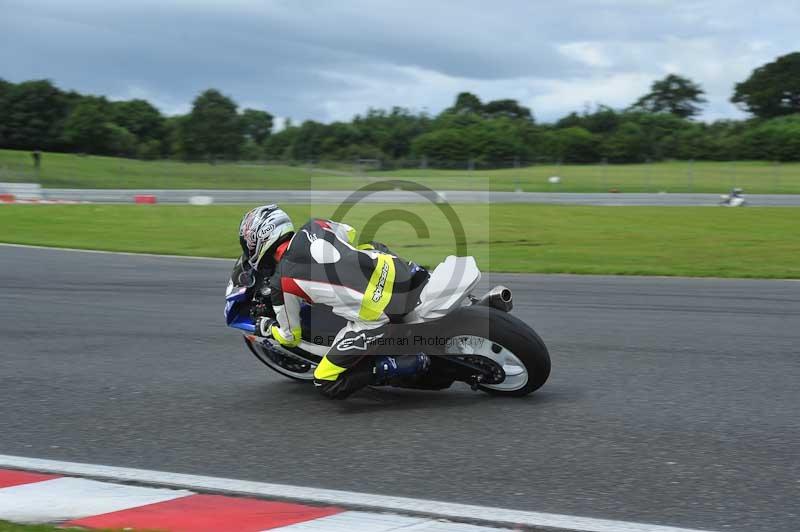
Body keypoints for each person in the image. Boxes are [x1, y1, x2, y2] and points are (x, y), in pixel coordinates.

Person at [238, 204, 431, 399]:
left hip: (381, 312)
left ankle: (399, 364)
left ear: (259, 241)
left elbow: (291, 337)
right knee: (369, 247)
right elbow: (350, 234)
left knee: (325, 380)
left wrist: (267, 327)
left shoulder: (280, 283)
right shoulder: (315, 225)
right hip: (398, 270)